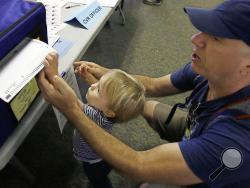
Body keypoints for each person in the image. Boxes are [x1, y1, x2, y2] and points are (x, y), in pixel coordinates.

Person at [37, 0, 250, 187]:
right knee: (144, 104)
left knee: (148, 182)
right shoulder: (206, 69)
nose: (195, 38)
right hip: (197, 124)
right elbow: (154, 85)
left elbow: (139, 165)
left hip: (215, 163)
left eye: (216, 38)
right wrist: (110, 77)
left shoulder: (236, 138)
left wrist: (72, 109)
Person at [43, 53, 145, 188]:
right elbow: (106, 96)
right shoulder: (109, 114)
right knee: (105, 169)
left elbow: (71, 101)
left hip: (93, 162)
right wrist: (88, 77)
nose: (92, 86)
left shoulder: (94, 116)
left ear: (109, 111)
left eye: (98, 90)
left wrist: (54, 74)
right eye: (97, 83)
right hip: (102, 155)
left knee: (98, 181)